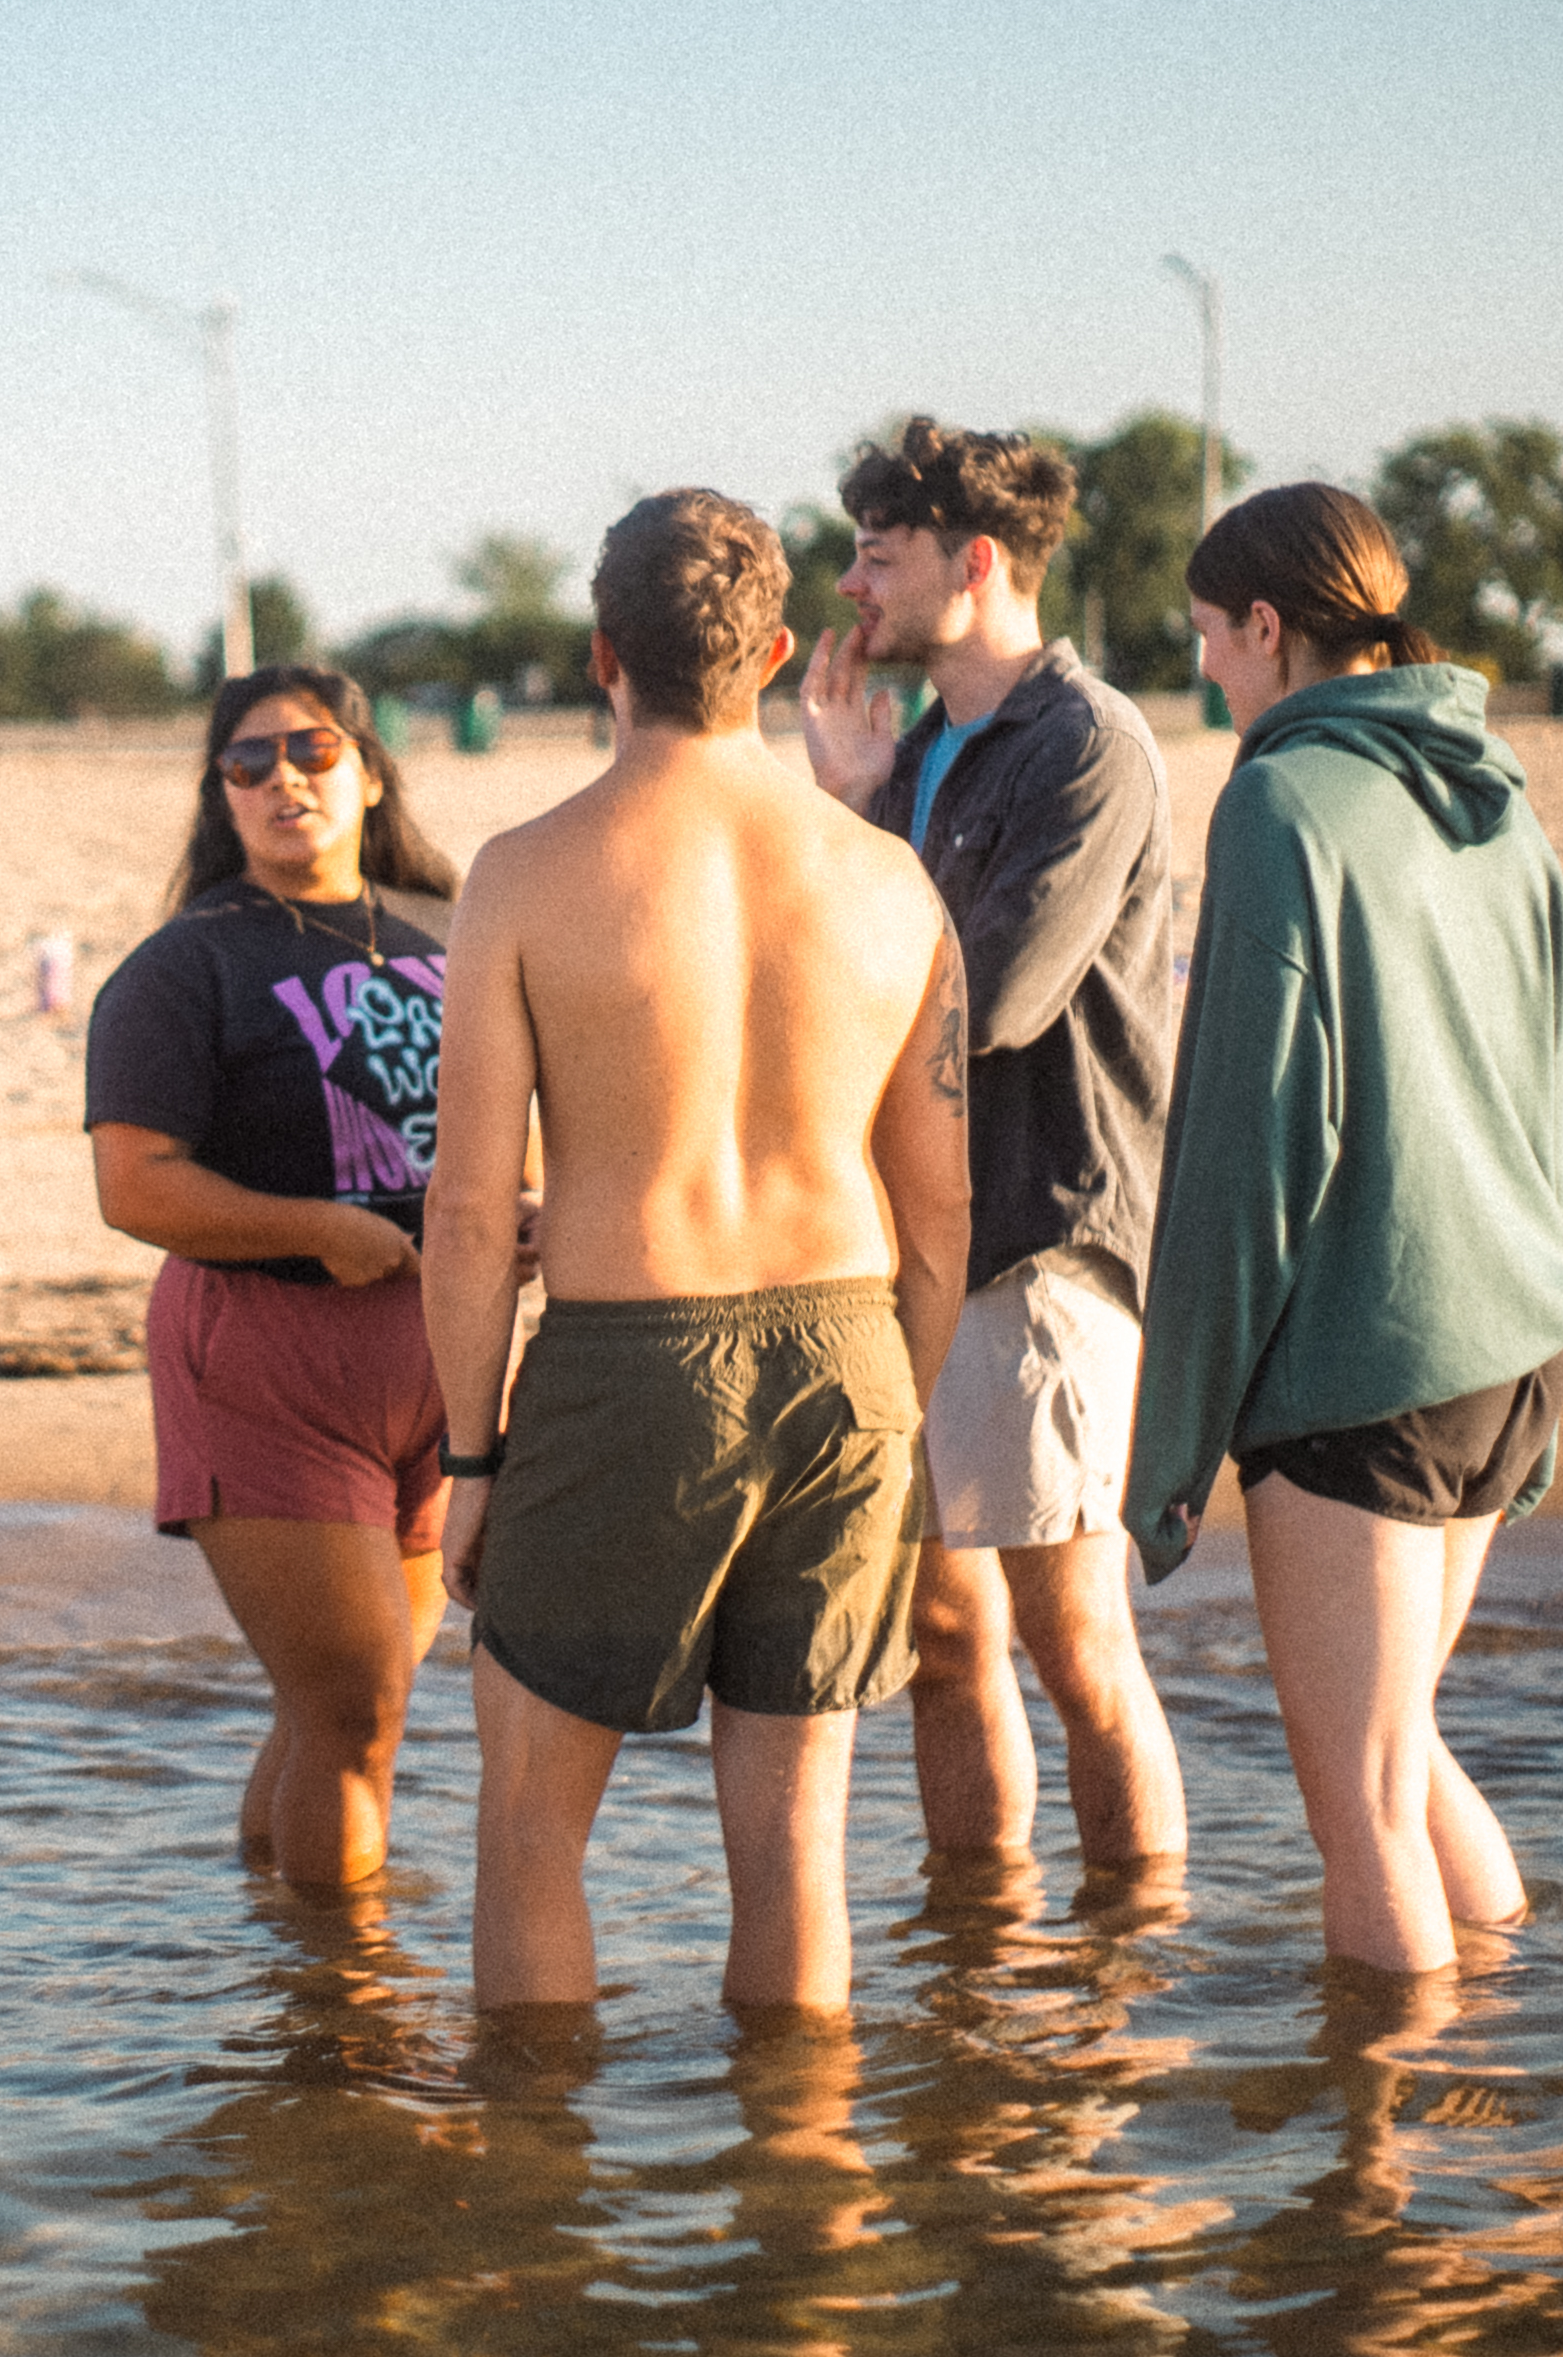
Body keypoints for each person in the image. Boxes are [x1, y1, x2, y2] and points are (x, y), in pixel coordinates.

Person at [427, 489, 970, 2017]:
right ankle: (807, 2214)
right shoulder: (889, 882)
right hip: (850, 1346)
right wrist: (892, 1403)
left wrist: (472, 1460)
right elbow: (940, 1210)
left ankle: (541, 2219)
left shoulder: (525, 875)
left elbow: (470, 1213)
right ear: (778, 652)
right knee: (798, 1851)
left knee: (534, 1836)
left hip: (628, 1360)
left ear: (605, 655)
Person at [1124, 483, 1563, 1978]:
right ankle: (1508, 2090)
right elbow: (1542, 1078)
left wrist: (1169, 1457)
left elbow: (1244, 1152)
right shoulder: (1498, 792)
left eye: (1209, 641)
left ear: (1268, 627)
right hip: (1507, 1344)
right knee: (1406, 1752)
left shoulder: (1278, 798)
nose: (1207, 678)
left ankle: (1378, 2196)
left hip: (1361, 1361)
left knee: (1362, 1806)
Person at [798, 417, 1189, 1883]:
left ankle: (1122, 1993)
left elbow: (995, 995)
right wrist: (852, 797)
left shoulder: (1088, 742)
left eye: (875, 555)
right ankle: (981, 1992)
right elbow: (882, 959)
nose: (851, 588)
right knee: (947, 1643)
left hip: (1043, 1244)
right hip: (920, 1249)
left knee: (1078, 1646)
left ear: (973, 564)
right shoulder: (921, 756)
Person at [86, 663, 481, 1889]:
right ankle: (351, 2028)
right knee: (355, 1706)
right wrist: (318, 1228)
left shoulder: (453, 922)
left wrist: (505, 1213)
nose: (282, 781)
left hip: (439, 1355)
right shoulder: (183, 966)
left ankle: (284, 1965)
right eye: (246, 763)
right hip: (265, 1355)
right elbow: (134, 1185)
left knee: (345, 1704)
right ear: (221, 798)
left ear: (369, 770)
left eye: (310, 752)